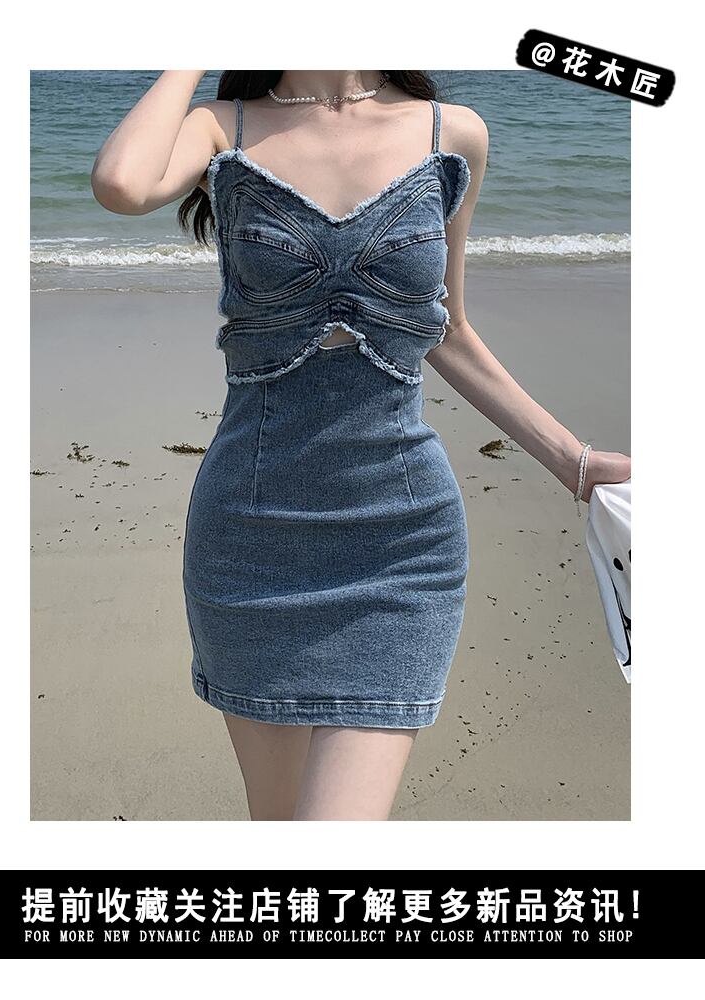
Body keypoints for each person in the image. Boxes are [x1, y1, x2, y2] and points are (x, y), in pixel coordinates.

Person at [91, 70, 631, 822]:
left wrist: (575, 461)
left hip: (401, 542)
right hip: (251, 532)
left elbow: (447, 328)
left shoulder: (451, 132)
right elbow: (122, 184)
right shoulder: (222, 126)